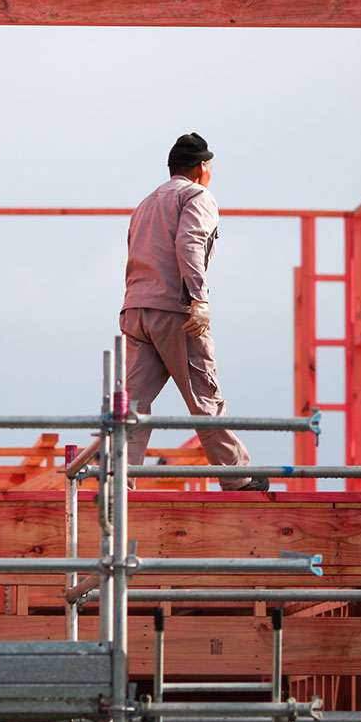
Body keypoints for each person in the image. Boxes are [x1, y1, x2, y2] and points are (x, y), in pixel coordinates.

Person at [119, 132, 269, 492]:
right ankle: (238, 478)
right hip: (175, 310)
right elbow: (190, 243)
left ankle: (118, 481)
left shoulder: (146, 202)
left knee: (133, 405)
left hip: (137, 309)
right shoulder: (196, 195)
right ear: (202, 168)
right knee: (204, 395)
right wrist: (198, 299)